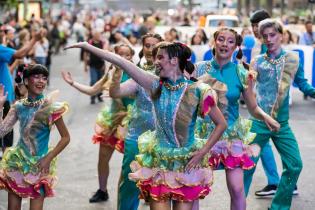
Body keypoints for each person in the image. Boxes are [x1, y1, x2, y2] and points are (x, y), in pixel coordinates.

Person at [65, 41, 227, 210]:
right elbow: (122, 62)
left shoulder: (199, 90)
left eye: (160, 57)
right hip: (159, 162)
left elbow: (220, 124)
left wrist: (202, 152)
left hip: (186, 163)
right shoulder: (154, 84)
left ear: (174, 60)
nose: (155, 61)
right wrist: (87, 46)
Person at [195, 27, 280, 210]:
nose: (225, 44)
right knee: (195, 188)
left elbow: (253, 107)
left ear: (236, 47)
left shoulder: (243, 73)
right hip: (203, 137)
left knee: (237, 188)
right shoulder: (199, 68)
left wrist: (267, 117)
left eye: (230, 41)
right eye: (221, 39)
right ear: (214, 42)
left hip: (231, 136)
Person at [244, 19, 315, 210]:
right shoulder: (257, 62)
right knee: (246, 167)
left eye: (272, 35)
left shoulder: (293, 59)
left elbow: (303, 84)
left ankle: (278, 207)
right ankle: (238, 205)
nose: (269, 39)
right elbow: (247, 91)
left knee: (294, 165)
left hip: (282, 124)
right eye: (264, 36)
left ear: (281, 35)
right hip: (259, 123)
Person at [62, 43, 135, 203]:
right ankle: (102, 190)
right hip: (110, 122)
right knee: (102, 159)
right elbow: (93, 90)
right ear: (113, 56)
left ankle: (142, 192)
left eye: (127, 55)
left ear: (131, 57)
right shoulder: (110, 73)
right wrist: (72, 83)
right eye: (119, 54)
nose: (123, 58)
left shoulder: (135, 74)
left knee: (133, 163)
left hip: (130, 124)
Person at [0, 64, 70, 210]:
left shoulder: (50, 107)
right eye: (36, 77)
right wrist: (0, 107)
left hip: (40, 164)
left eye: (44, 78)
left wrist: (48, 158)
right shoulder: (18, 106)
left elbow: (65, 138)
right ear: (26, 81)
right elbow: (2, 131)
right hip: (17, 162)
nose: (41, 81)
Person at [110, 33, 163, 210]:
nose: (150, 50)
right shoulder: (138, 73)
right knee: (129, 183)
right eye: (147, 45)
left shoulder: (170, 74)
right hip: (136, 136)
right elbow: (116, 93)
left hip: (163, 139)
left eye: (155, 46)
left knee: (161, 186)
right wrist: (117, 74)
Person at [249, 9, 283, 197]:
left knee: (261, 144)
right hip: (261, 106)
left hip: (267, 107)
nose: (254, 29)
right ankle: (281, 182)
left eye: (257, 25)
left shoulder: (267, 46)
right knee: (267, 144)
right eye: (253, 26)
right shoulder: (260, 44)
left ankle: (275, 182)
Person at [0, 29, 43, 158]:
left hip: (6, 95)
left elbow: (7, 69)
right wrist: (35, 39)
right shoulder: (2, 49)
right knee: (5, 133)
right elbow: (20, 54)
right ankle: (5, 160)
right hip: (3, 97)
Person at [84, 31, 107, 104]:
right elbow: (85, 54)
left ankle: (99, 95)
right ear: (93, 35)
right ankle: (93, 96)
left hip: (101, 65)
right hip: (92, 65)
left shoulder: (102, 43)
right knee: (94, 81)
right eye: (97, 34)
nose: (98, 36)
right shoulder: (90, 43)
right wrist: (85, 65)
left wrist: (104, 65)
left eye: (99, 34)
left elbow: (105, 54)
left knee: (101, 81)